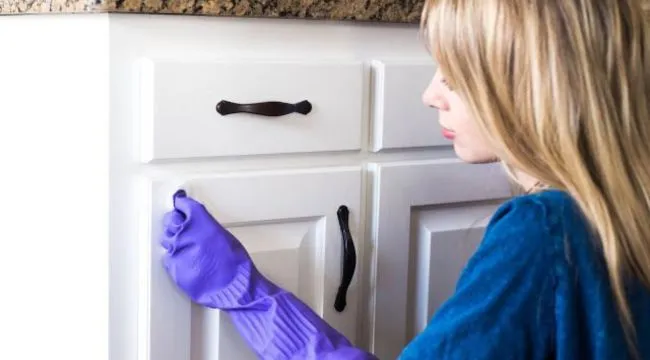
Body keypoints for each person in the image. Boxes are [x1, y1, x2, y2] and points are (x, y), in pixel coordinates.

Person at [159, 0, 650, 358]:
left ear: (535, 87)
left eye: (455, 76)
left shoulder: (543, 234)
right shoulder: (621, 214)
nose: (430, 94)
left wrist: (244, 292)